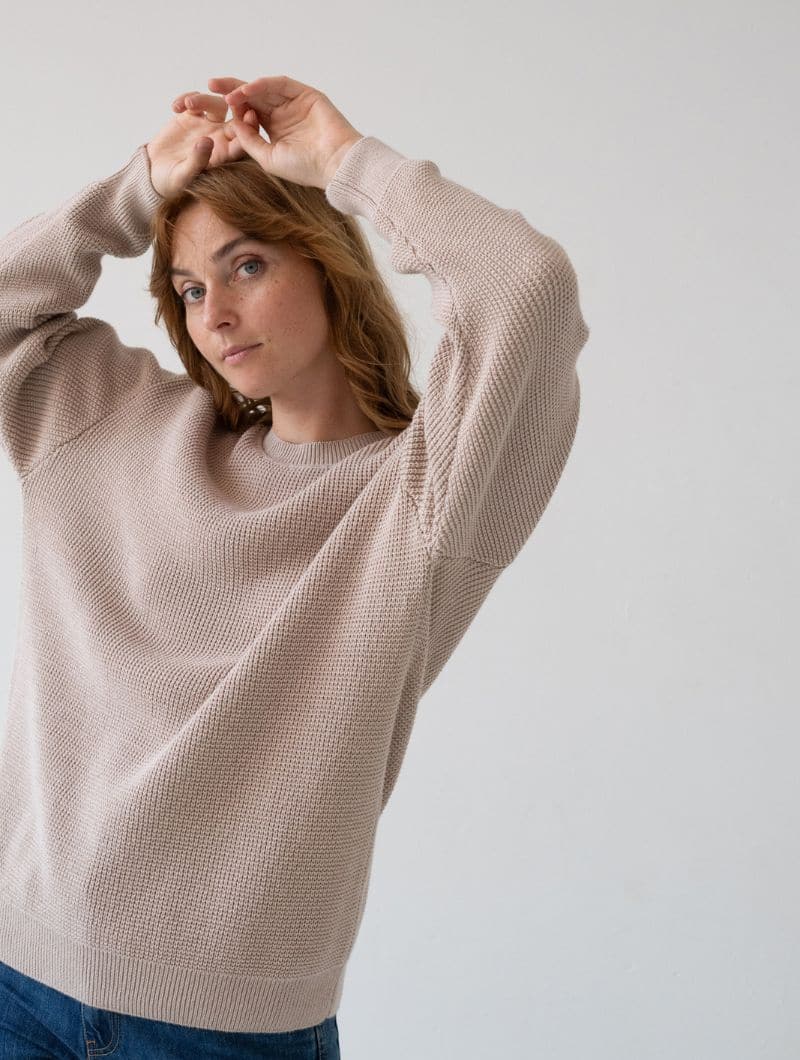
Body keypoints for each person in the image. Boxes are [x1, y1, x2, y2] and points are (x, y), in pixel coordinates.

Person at [0, 74, 590, 1057]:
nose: (215, 314)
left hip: (219, 1028)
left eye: (246, 265)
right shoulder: (113, 426)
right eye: (190, 288)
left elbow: (526, 288)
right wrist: (134, 189)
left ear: (325, 265)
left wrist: (346, 162)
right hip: (16, 976)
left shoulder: (422, 496)